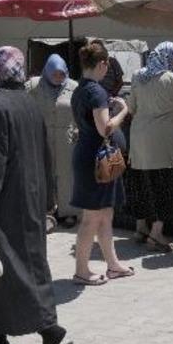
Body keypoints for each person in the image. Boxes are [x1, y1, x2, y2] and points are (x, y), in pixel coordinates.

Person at [0, 46, 73, 344]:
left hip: (5, 203)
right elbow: (46, 154)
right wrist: (50, 199)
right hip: (32, 199)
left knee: (8, 268)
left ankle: (48, 327)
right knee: (15, 265)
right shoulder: (29, 103)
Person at [70, 42, 134, 286]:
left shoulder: (80, 88)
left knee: (106, 214)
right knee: (92, 218)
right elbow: (105, 127)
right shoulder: (95, 91)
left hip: (94, 158)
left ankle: (113, 265)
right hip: (97, 162)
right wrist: (123, 110)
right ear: (103, 63)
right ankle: (81, 271)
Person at [126, 42, 173, 252]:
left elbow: (131, 107)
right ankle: (156, 234)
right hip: (163, 141)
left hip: (139, 139)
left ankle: (140, 228)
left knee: (141, 182)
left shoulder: (138, 76)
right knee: (164, 185)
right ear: (170, 57)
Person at [27, 54, 79, 226]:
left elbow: (81, 111)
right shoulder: (34, 85)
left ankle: (68, 212)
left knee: (66, 175)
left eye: (61, 74)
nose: (58, 78)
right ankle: (47, 210)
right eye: (54, 74)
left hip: (67, 138)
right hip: (42, 137)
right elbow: (23, 105)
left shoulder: (74, 87)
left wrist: (79, 129)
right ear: (47, 71)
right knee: (44, 174)